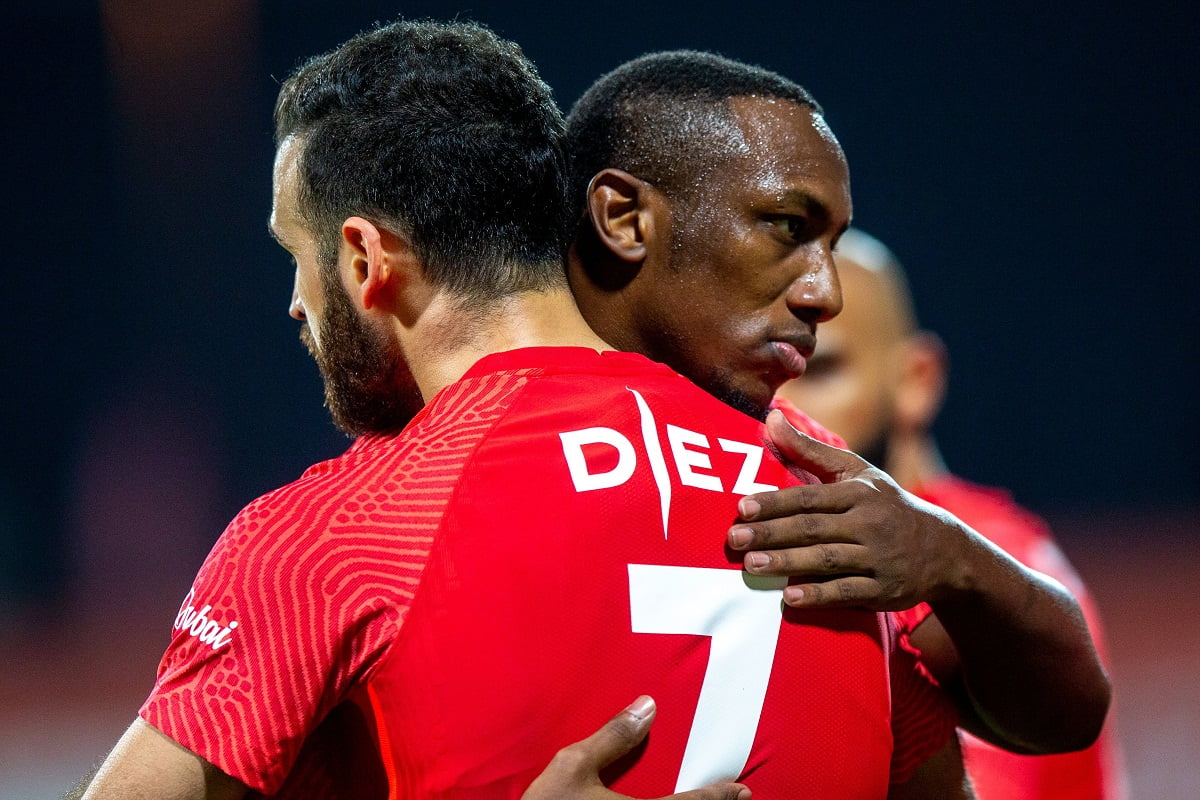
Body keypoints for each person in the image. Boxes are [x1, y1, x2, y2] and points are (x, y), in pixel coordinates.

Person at [74, 21, 969, 799]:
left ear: (365, 259)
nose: (296, 304)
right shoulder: (821, 484)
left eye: (295, 257)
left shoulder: (340, 533)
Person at [562, 50, 1109, 758]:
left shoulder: (797, 466)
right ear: (625, 218)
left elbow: (1065, 717)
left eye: (833, 243)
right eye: (788, 226)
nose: (826, 293)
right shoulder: (464, 447)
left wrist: (951, 556)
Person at [775, 228, 1128, 799]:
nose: (783, 409)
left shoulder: (999, 566)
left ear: (916, 381)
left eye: (818, 372)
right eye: (768, 372)